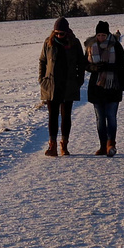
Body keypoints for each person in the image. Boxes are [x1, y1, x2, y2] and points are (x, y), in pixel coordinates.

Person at [38, 17, 87, 157]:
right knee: (52, 116)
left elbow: (81, 63)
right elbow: (42, 61)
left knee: (66, 116)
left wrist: (79, 80)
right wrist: (42, 79)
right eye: (57, 32)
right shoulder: (49, 42)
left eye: (62, 33)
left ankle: (64, 146)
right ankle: (52, 146)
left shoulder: (74, 42)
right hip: (51, 85)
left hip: (68, 84)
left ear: (67, 32)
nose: (59, 35)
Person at [83, 20, 124, 156]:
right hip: (96, 87)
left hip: (113, 86)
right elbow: (85, 64)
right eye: (99, 35)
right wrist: (94, 68)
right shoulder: (91, 46)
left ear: (108, 34)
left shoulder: (116, 46)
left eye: (103, 35)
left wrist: (110, 67)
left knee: (111, 116)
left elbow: (123, 65)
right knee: (100, 118)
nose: (101, 37)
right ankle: (103, 145)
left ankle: (111, 144)